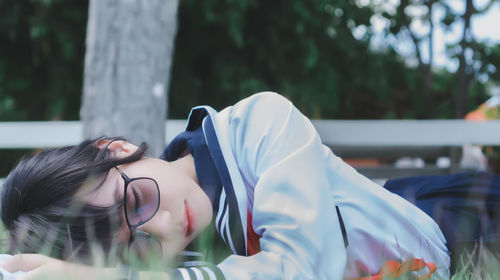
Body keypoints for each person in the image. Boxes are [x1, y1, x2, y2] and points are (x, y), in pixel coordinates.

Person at [0, 92, 497, 279]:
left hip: (451, 218)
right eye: (137, 246)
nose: (169, 229)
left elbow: (305, 268)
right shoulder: (177, 262)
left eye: (138, 200)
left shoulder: (260, 123)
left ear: (114, 148)